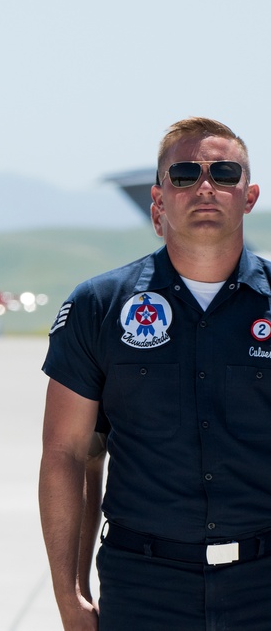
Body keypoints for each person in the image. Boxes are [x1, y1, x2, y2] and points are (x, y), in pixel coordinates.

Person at [39, 117, 270, 630]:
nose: (205, 187)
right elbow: (66, 454)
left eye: (224, 173)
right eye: (185, 175)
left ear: (249, 195)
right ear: (160, 199)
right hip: (143, 587)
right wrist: (69, 596)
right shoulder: (99, 306)